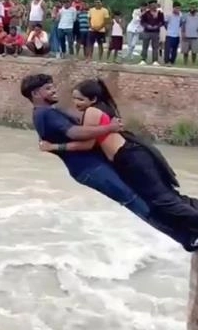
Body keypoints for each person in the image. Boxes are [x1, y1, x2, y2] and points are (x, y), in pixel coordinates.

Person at [37, 78, 198, 251]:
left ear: (93, 100)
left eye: (80, 99)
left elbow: (87, 142)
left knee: (162, 201)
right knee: (169, 197)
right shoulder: (101, 109)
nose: (76, 103)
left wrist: (53, 146)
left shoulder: (91, 112)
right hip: (133, 155)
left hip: (130, 158)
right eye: (75, 99)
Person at [20, 73, 150, 221]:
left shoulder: (46, 113)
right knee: (130, 198)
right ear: (36, 93)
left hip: (90, 166)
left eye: (53, 86)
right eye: (48, 88)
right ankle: (166, 226)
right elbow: (76, 133)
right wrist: (110, 127)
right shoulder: (46, 114)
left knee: (132, 196)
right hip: (89, 168)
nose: (54, 90)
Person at [139, 0, 165, 66]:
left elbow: (162, 22)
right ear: (150, 6)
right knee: (145, 46)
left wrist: (157, 26)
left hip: (156, 32)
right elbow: (142, 22)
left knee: (155, 47)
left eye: (155, 5)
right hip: (147, 32)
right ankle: (143, 59)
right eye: (152, 5)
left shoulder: (160, 13)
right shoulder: (146, 13)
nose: (154, 6)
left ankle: (155, 60)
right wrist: (147, 26)